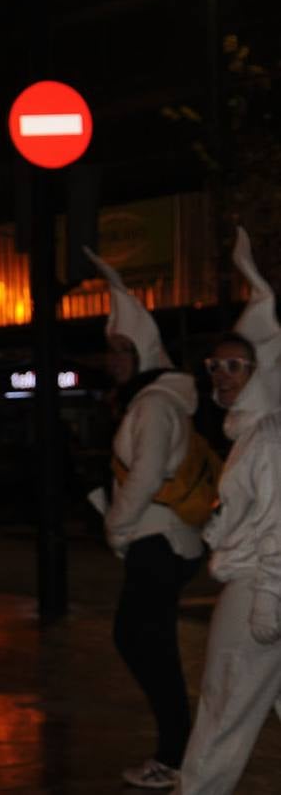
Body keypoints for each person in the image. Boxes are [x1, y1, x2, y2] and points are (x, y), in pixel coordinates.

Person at [85, 246, 204, 790]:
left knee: (142, 640)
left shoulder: (153, 404)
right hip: (156, 540)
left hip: (157, 541)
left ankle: (179, 752)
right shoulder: (147, 400)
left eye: (121, 350)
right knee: (145, 642)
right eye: (109, 350)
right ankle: (180, 748)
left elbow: (147, 475)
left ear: (144, 353)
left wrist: (117, 528)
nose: (111, 359)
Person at [177, 228, 281, 793]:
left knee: (223, 708)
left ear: (261, 371)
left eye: (236, 366)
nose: (221, 374)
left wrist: (268, 597)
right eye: (216, 365)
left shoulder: (267, 437)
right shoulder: (253, 435)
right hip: (263, 585)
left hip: (258, 590)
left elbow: (280, 528)